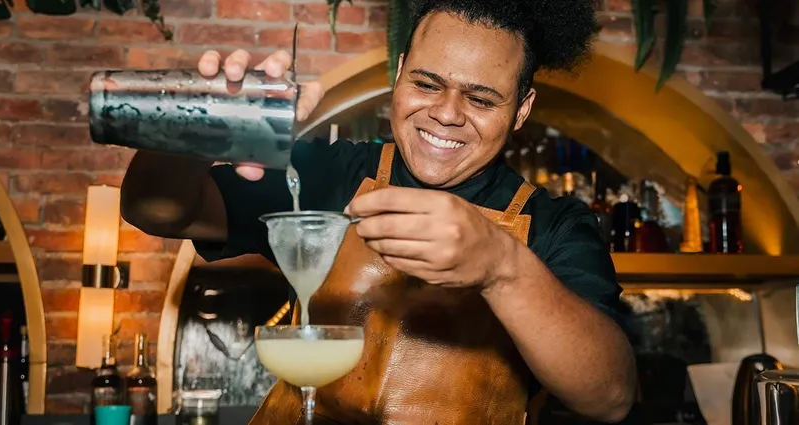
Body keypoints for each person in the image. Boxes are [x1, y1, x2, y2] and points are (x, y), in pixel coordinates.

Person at [121, 0, 637, 422]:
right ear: (397, 73)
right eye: (427, 84)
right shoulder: (333, 172)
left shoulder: (554, 225)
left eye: (480, 99)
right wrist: (191, 125)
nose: (447, 113)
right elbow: (158, 210)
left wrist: (505, 268)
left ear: (522, 109)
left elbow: (610, 395)